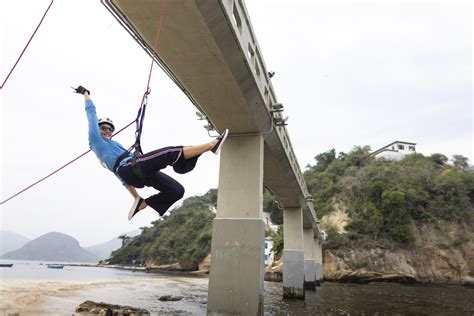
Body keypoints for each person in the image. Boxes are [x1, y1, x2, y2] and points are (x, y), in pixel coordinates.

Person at [74, 86, 228, 220]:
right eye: (103, 128)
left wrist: (136, 199)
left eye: (110, 129)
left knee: (177, 190)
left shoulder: (113, 146)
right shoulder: (95, 141)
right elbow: (91, 114)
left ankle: (146, 203)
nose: (107, 131)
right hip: (129, 168)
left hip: (134, 173)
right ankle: (211, 145)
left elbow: (122, 179)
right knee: (169, 152)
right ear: (97, 129)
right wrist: (86, 94)